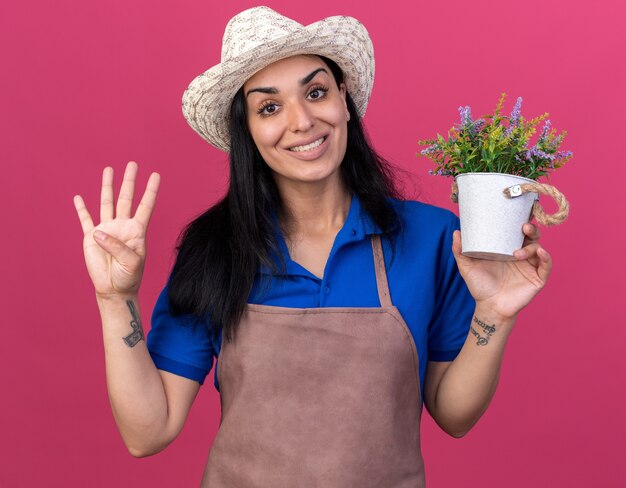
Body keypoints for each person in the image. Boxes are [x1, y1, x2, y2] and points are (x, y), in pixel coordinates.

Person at [73, 6, 552, 487]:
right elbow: (147, 432)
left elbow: (455, 415)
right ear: (248, 130)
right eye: (269, 107)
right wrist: (115, 300)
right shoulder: (216, 249)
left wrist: (494, 313)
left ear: (344, 99)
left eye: (316, 92)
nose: (301, 121)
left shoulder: (430, 238)